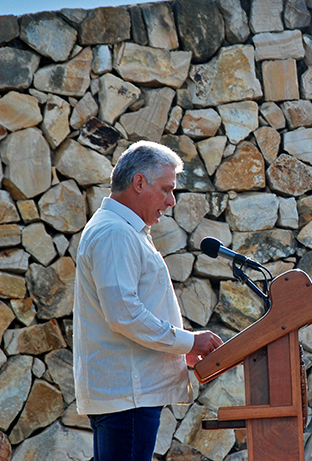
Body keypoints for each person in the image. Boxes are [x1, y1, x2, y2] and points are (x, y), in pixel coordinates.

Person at [73, 140, 223, 461]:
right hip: (128, 397)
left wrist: (179, 350)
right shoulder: (115, 233)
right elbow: (124, 314)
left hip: (130, 396)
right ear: (139, 183)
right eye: (166, 189)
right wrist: (188, 342)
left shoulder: (125, 230)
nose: (171, 201)